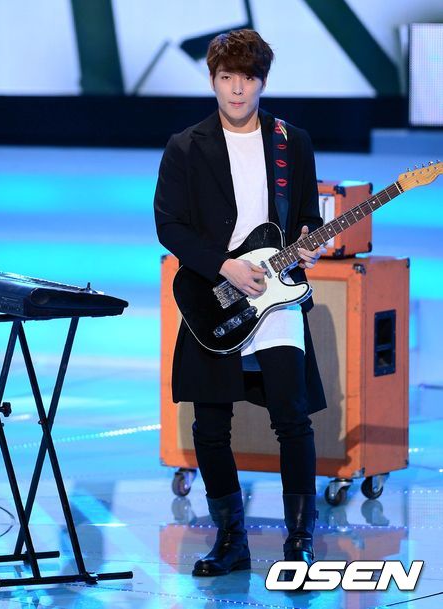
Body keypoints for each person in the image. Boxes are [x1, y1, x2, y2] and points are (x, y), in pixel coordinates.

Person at [154, 29, 327, 578]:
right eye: (226, 77)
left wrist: (311, 241)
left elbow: (308, 216)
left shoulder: (292, 141)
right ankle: (231, 542)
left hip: (277, 297)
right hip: (215, 295)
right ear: (212, 80)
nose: (236, 89)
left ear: (262, 82)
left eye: (247, 78)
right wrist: (223, 265)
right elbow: (169, 226)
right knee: (210, 425)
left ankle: (300, 542)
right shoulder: (186, 146)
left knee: (292, 419)